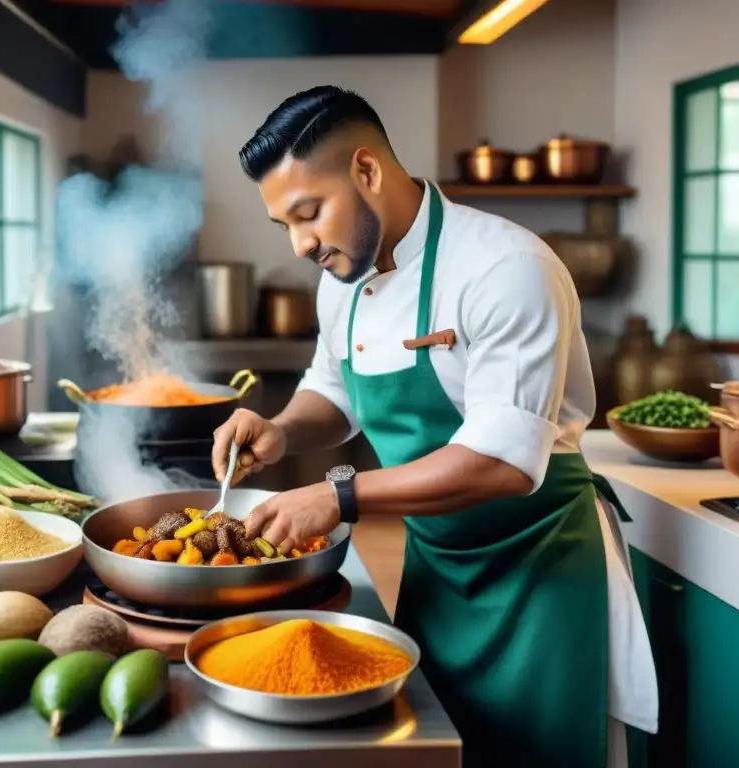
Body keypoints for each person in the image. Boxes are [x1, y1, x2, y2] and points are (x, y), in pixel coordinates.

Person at [211, 86, 658, 767]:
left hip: (539, 574)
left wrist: (338, 496)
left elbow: (502, 462)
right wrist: (282, 430)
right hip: (437, 569)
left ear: (366, 172)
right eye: (285, 225)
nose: (302, 244)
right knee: (437, 752)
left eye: (309, 214)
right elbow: (332, 390)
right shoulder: (342, 278)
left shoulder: (508, 268)